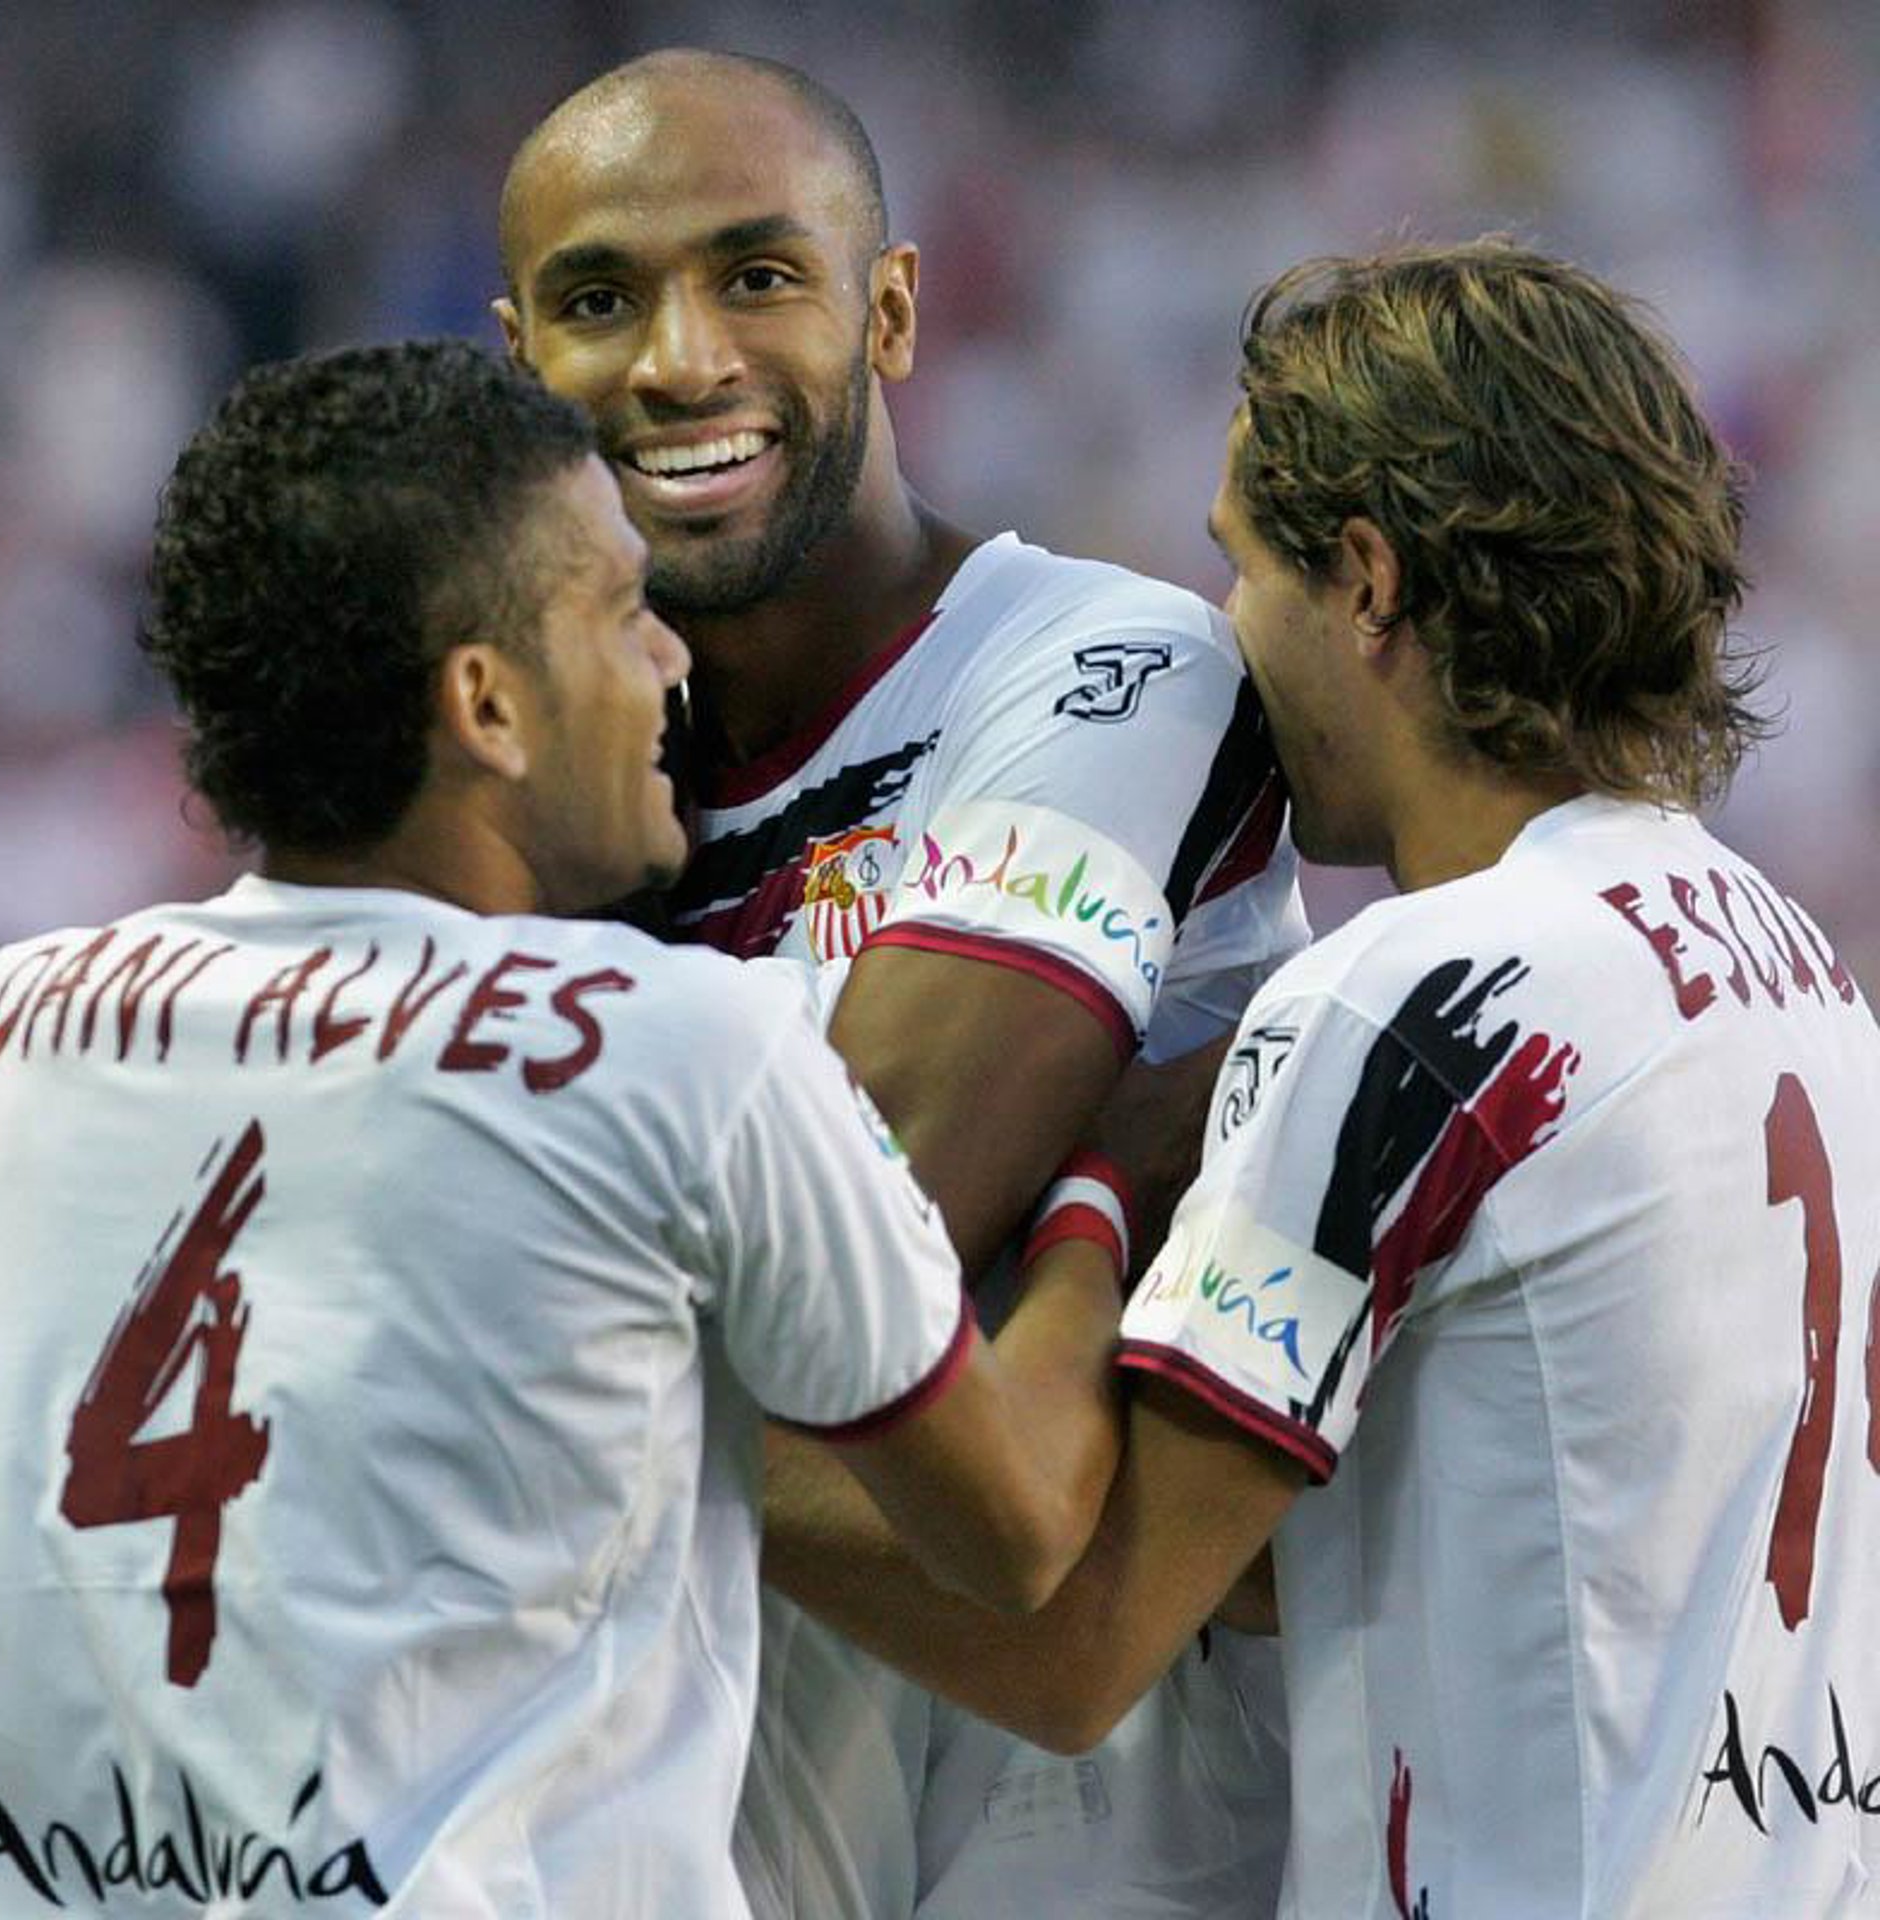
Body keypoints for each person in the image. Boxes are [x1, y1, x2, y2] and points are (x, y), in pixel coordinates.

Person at [764, 239, 1880, 1917]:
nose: (1228, 632)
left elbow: (1072, 1642)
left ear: (1366, 582)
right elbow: (1389, 1552)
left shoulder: (1412, 1002)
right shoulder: (1809, 978)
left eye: (1242, 567)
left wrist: (653, 1423)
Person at [0, 339, 1133, 1919]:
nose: (669, 658)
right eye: (620, 608)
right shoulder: (681, 1051)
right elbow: (1021, 1535)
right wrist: (1110, 1182)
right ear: (487, 703)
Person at [494, 49, 1307, 1920]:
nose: (680, 359)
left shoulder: (1105, 666)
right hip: (696, 1830)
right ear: (516, 359)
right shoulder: (518, 765)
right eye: (600, 300)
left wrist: (471, 1323)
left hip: (1080, 1835)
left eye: (757, 275)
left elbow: (872, 1215)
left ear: (892, 311)